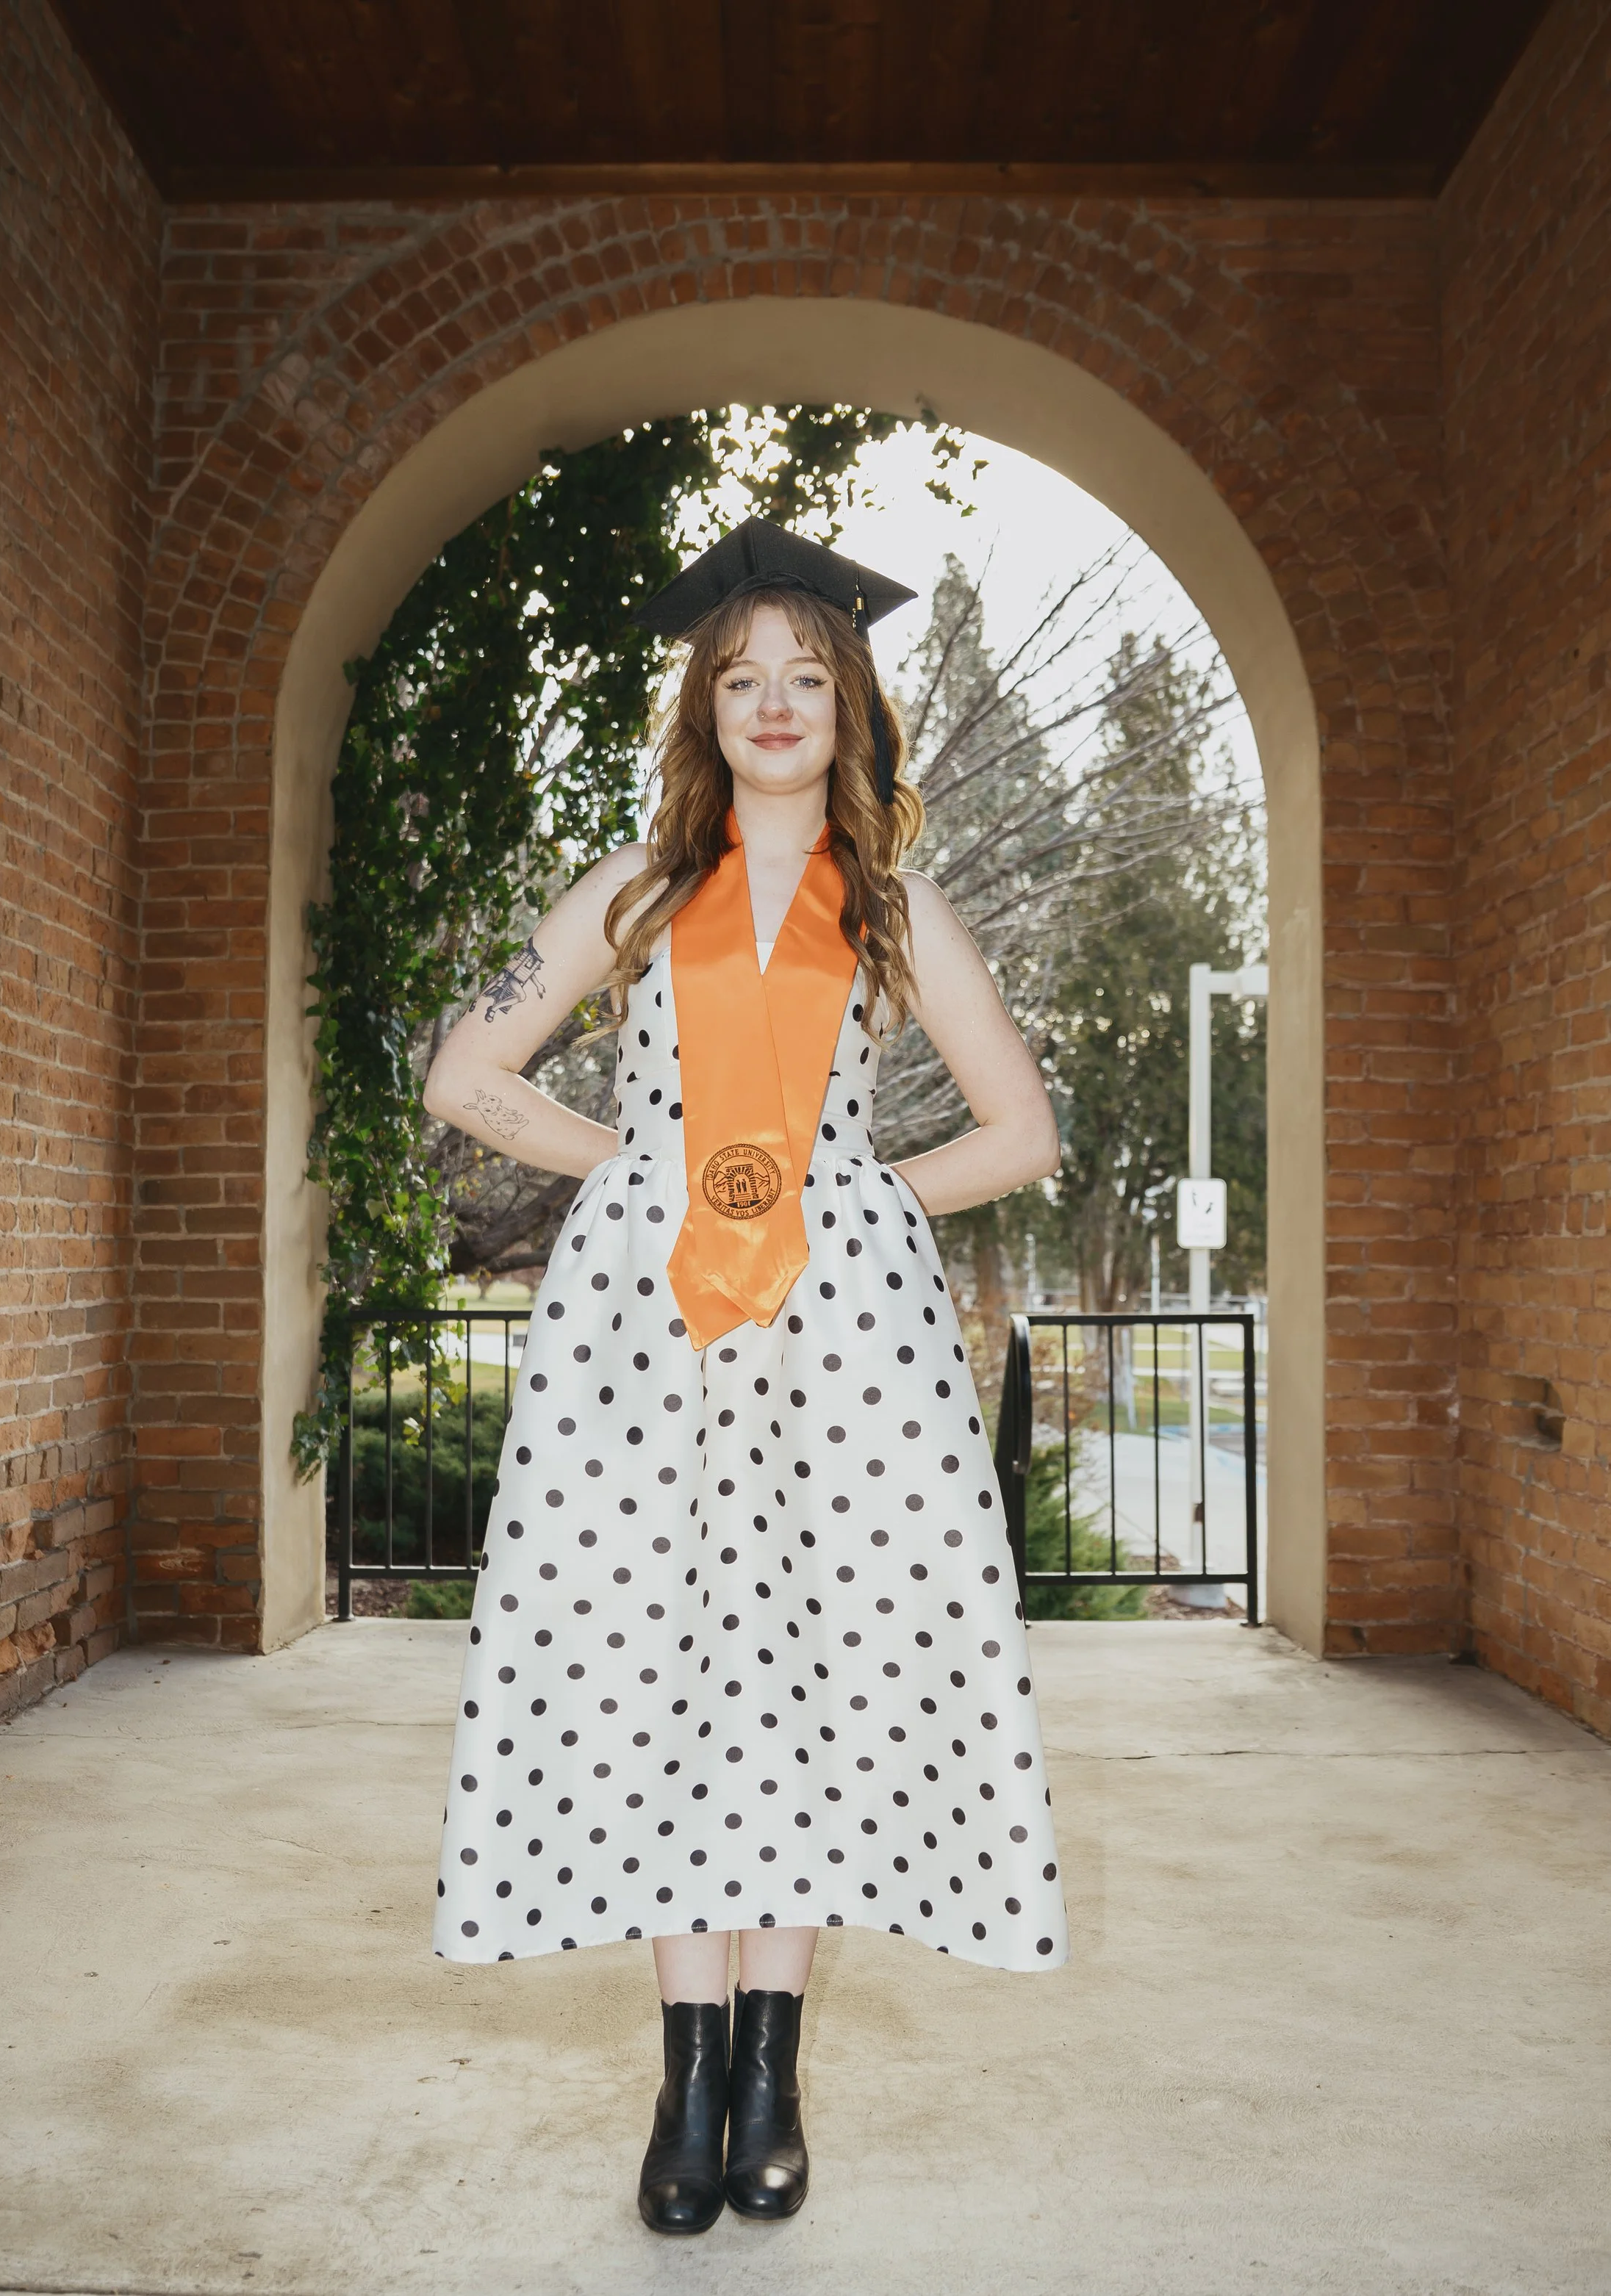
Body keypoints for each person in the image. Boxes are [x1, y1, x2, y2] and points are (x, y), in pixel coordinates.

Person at [423, 517, 1069, 2234]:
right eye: (737, 679)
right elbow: (465, 1073)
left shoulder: (895, 907)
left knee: (808, 1666)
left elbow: (1018, 1130)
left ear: (848, 706)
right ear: (701, 709)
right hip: (645, 1337)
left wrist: (846, 1195)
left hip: (839, 1344)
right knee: (659, 1661)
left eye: (803, 678)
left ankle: (770, 2077)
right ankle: (684, 2076)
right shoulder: (630, 893)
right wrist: (645, 1174)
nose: (771, 704)